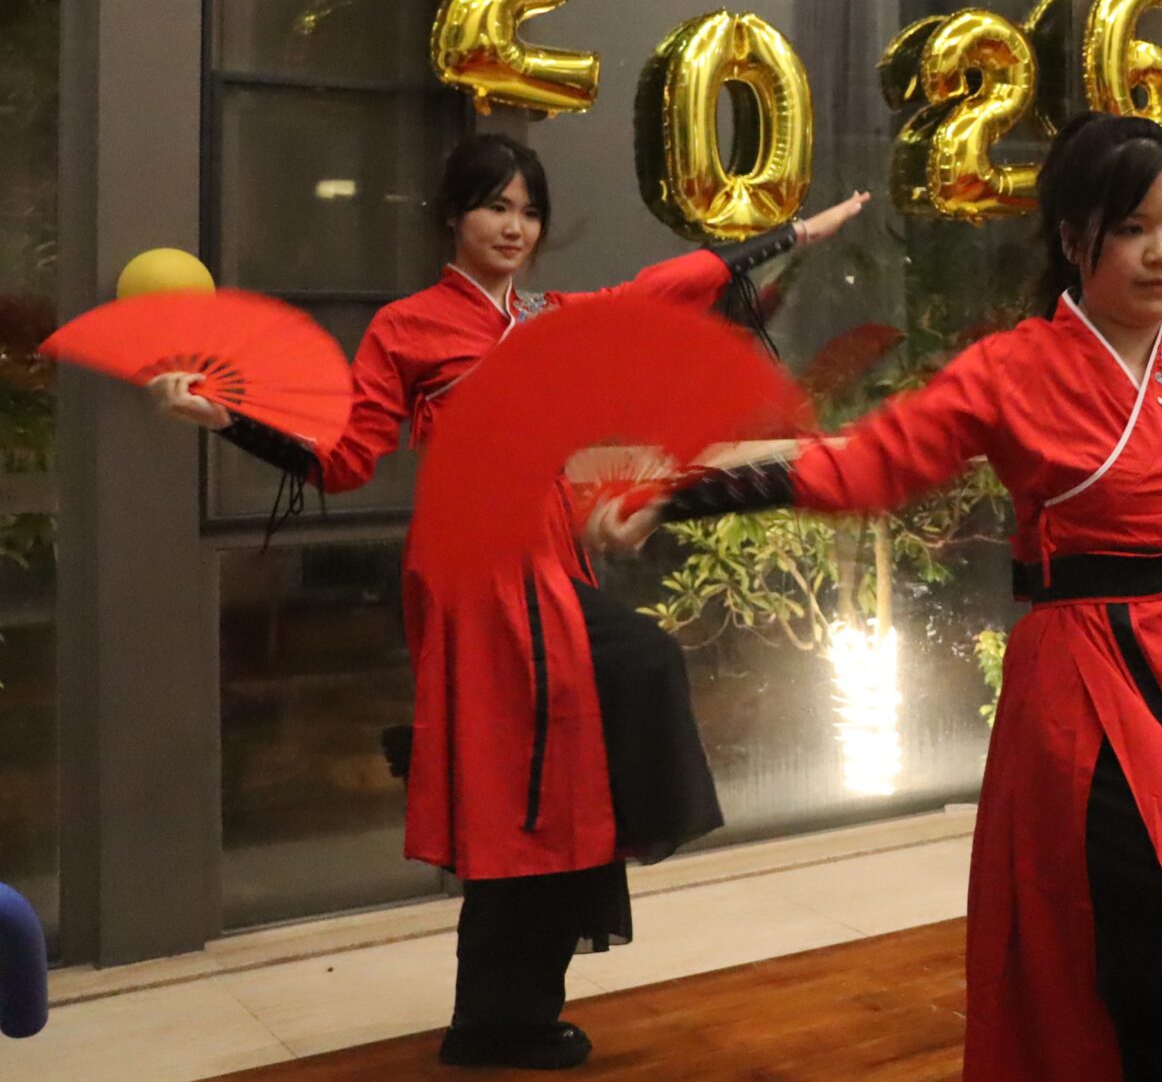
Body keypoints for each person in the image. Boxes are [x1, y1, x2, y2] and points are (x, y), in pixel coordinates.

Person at [601, 113, 1162, 1082]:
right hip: (1087, 687)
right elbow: (869, 464)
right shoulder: (1013, 371)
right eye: (1132, 230)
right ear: (1075, 237)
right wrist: (684, 495)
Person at [151, 133, 867, 1072]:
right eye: (495, 206)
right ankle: (500, 1008)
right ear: (453, 216)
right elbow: (344, 456)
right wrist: (229, 418)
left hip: (551, 555)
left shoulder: (549, 316)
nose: (514, 226)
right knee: (524, 782)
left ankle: (509, 1010)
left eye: (528, 211)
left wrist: (788, 234)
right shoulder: (407, 327)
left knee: (558, 771)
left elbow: (655, 291)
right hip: (476, 566)